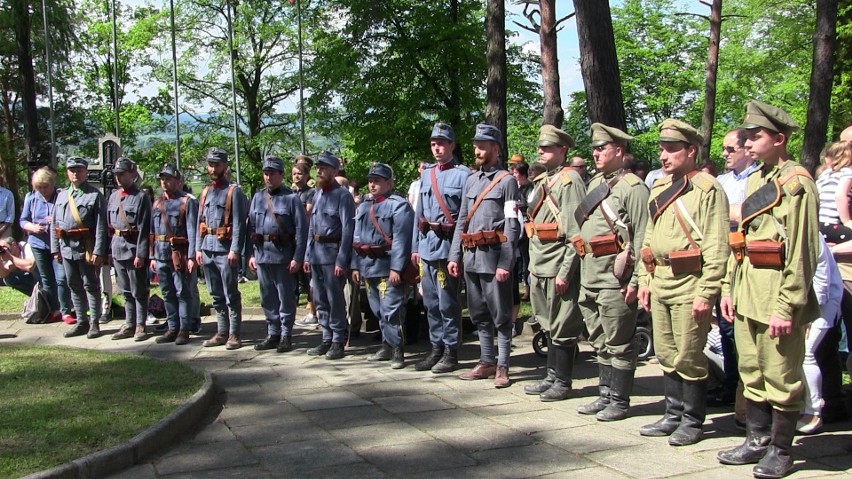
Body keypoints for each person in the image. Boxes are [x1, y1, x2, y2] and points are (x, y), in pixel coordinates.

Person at [718, 100, 820, 478]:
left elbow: (802, 251)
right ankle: (756, 440)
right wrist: (729, 288)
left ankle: (781, 450)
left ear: (778, 139)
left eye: (754, 136)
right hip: (747, 292)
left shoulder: (797, 183)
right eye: (745, 136)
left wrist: (787, 306)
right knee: (751, 370)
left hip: (776, 295)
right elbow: (740, 240)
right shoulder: (758, 178)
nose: (746, 141)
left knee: (781, 375)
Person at [636, 119, 729, 446]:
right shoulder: (660, 187)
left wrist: (708, 292)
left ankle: (692, 421)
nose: (664, 156)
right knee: (664, 351)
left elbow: (717, 245)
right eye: (662, 149)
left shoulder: (707, 188)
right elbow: (648, 237)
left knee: (688, 354)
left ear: (691, 151)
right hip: (659, 279)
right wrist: (645, 278)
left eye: (671, 149)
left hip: (690, 283)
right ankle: (672, 414)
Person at [575, 123, 649, 421]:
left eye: (602, 148)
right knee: (598, 339)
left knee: (619, 342)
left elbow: (643, 237)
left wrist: (637, 280)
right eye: (594, 148)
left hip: (616, 279)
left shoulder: (633, 188)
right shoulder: (595, 185)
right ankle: (604, 394)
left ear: (619, 151)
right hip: (591, 274)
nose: (595, 153)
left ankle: (619, 400)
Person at [448, 123, 520, 388]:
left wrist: (506, 262)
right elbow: (462, 221)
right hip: (471, 257)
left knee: (500, 314)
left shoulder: (508, 181)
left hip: (493, 257)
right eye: (475, 145)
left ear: (495, 148)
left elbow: (512, 225)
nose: (476, 150)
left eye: (482, 146)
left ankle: (503, 366)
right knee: (478, 312)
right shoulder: (471, 180)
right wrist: (454, 255)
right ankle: (486, 360)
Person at [522, 125, 586, 401]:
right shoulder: (544, 182)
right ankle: (551, 376)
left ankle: (562, 381)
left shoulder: (569, 181)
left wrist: (566, 272)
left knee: (563, 326)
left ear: (563, 151)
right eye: (540, 147)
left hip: (558, 264)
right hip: (540, 264)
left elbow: (575, 232)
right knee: (549, 324)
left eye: (547, 148)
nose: (541, 151)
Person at [412, 122, 471, 373]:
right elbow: (419, 213)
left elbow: (465, 218)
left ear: (452, 146)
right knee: (431, 303)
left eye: (442, 143)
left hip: (448, 247)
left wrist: (456, 252)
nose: (437, 148)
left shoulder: (463, 174)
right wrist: (415, 246)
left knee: (448, 303)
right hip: (427, 248)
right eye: (434, 144)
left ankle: (451, 350)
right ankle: (435, 347)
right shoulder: (427, 174)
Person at [713, 129, 760, 407]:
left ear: (745, 149)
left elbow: (749, 215)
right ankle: (731, 386)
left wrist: (727, 211)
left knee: (740, 330)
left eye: (731, 149)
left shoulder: (757, 179)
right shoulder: (722, 181)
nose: (725, 154)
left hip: (746, 260)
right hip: (724, 256)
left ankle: (745, 394)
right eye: (724, 149)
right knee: (725, 327)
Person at [351, 163, 414, 368]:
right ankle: (386, 345)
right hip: (368, 265)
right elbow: (357, 238)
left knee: (391, 310)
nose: (372, 185)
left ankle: (398, 349)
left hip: (388, 266)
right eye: (370, 181)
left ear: (389, 183)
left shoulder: (398, 205)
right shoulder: (363, 206)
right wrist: (355, 266)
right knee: (377, 309)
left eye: (377, 181)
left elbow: (402, 240)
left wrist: (397, 268)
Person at [249, 156, 308, 353]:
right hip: (262, 254)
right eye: (266, 173)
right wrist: (251, 255)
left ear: (281, 175)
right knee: (267, 297)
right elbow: (252, 227)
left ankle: (286, 335)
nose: (268, 177)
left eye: (272, 174)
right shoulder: (258, 197)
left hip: (283, 255)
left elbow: (301, 230)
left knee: (286, 297)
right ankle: (272, 332)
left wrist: (298, 257)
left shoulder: (291, 199)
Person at [195, 147, 248, 350]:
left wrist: (235, 250)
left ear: (225, 166)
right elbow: (200, 221)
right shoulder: (206, 191)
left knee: (230, 293)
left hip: (225, 250)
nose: (212, 168)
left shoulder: (234, 192)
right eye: (210, 164)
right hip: (208, 248)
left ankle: (234, 333)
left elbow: (240, 224)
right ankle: (222, 330)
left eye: (216, 164)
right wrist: (199, 249)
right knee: (215, 294)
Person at [304, 151, 355, 360]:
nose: (319, 171)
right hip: (316, 254)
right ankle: (326, 337)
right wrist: (307, 255)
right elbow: (311, 228)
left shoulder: (342, 196)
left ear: (334, 171)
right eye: (318, 167)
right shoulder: (317, 193)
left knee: (335, 299)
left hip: (333, 255)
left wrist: (342, 260)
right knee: (319, 298)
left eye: (324, 168)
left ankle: (337, 340)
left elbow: (347, 230)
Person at [51, 157, 108, 339]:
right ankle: (81, 321)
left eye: (79, 170)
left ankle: (94, 323)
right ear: (67, 172)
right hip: (66, 247)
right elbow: (54, 224)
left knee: (91, 285)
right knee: (74, 285)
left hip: (86, 248)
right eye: (72, 170)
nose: (75, 173)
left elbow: (101, 226)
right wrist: (55, 249)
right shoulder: (60, 195)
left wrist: (99, 251)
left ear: (86, 172)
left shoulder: (94, 195)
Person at [797, 236, 842, 434]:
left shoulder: (812, 234)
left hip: (821, 303)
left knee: (806, 354)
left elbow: (822, 276)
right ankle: (802, 407)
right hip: (802, 301)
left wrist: (810, 315)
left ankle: (813, 413)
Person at [104, 158, 152, 341]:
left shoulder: (141, 198)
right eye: (117, 175)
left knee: (138, 290)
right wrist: (109, 252)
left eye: (122, 174)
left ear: (132, 175)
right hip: (117, 248)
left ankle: (140, 324)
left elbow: (145, 229)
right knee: (124, 289)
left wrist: (141, 253)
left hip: (133, 249)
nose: (118, 178)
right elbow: (110, 227)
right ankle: (129, 323)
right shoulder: (114, 197)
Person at [150, 165, 198, 345]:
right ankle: (172, 327)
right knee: (167, 292)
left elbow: (193, 230)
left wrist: (192, 256)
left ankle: (184, 329)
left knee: (182, 292)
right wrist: (152, 257)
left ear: (178, 181)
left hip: (179, 253)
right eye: (162, 178)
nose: (164, 182)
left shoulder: (187, 202)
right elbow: (152, 232)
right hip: (161, 253)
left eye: (168, 178)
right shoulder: (157, 203)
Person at [20, 167, 72, 323]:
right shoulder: (31, 198)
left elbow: (70, 218)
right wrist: (33, 227)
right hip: (38, 243)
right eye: (39, 188)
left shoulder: (61, 196)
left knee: (62, 277)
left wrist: (55, 219)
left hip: (58, 243)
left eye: (46, 187)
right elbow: (23, 221)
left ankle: (66, 310)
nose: (43, 191)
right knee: (46, 278)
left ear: (52, 183)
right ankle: (53, 310)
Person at [292, 160, 318, 327]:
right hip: (293, 238)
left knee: (310, 278)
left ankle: (312, 311)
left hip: (307, 237)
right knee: (298, 279)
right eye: (294, 173)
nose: (296, 176)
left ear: (307, 175)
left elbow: (306, 213)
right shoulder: (293, 193)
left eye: (299, 173)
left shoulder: (310, 193)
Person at [0, 174, 14, 240]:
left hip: (4, 228)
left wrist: (2, 230)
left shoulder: (7, 193)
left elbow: (11, 215)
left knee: (6, 249)